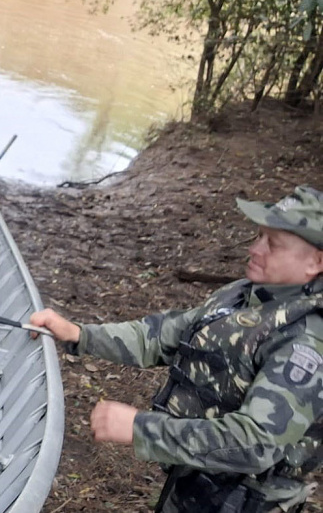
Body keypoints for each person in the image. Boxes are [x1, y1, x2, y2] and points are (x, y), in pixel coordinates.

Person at [30, 186, 323, 512]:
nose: (255, 249)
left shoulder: (305, 344)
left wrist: (142, 429)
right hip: (197, 480)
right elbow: (158, 336)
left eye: (273, 244)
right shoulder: (246, 294)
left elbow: (256, 444)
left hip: (245, 502)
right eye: (259, 236)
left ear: (316, 262)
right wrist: (79, 334)